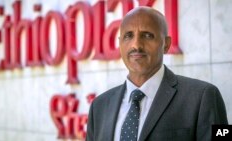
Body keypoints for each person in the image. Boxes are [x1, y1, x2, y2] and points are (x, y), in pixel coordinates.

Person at [86, 6, 228, 141]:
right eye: (128, 36)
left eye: (147, 35)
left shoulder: (204, 96)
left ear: (166, 44)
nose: (136, 45)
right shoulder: (99, 106)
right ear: (120, 44)